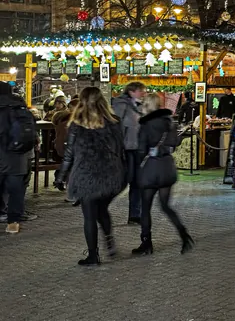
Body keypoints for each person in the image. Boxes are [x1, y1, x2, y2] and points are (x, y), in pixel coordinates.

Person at [55, 87, 126, 266]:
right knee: (102, 210)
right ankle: (109, 239)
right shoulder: (115, 122)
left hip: (86, 174)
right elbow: (120, 150)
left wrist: (61, 177)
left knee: (89, 216)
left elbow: (69, 154)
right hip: (111, 174)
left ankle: (93, 255)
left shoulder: (76, 124)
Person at [134, 94, 193, 256]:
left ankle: (146, 243)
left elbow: (141, 150)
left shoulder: (145, 125)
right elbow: (175, 143)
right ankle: (183, 234)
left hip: (151, 169)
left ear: (147, 106)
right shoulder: (169, 122)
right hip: (167, 167)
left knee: (145, 208)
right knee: (166, 206)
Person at [0, 83, 34, 235]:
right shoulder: (20, 106)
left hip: (2, 154)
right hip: (18, 155)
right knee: (16, 190)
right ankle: (13, 222)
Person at [112, 81, 146, 224]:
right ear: (132, 91)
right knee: (124, 181)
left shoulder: (139, 106)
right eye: (141, 91)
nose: (144, 93)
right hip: (127, 149)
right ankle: (100, 206)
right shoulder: (121, 105)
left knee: (137, 182)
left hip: (138, 148)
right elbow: (116, 126)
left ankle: (134, 214)